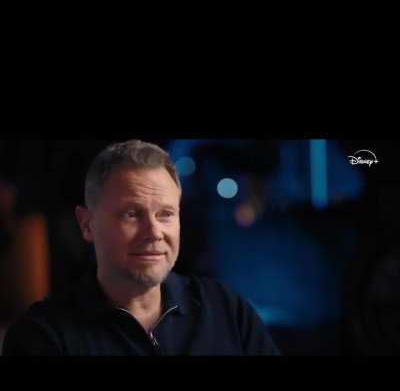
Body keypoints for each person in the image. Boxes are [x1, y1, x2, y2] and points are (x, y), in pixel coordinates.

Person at [2, 140, 280, 356]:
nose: (154, 232)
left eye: (165, 214)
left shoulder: (227, 311)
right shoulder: (42, 337)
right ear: (87, 224)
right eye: (131, 214)